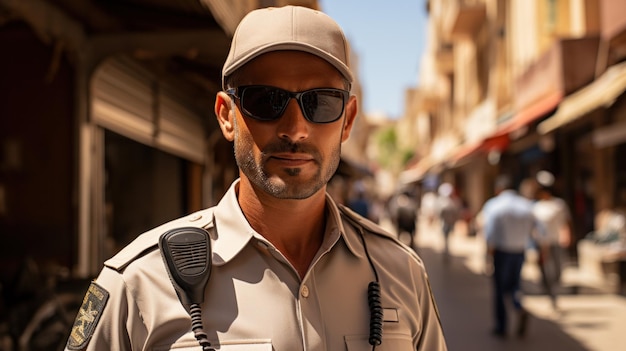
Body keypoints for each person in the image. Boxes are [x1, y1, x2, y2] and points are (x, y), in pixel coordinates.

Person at [65, 6, 447, 351]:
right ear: (227, 115)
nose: (295, 129)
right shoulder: (139, 282)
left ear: (347, 120)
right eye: (265, 100)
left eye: (321, 102)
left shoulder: (401, 273)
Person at [480, 175, 542, 339]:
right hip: (520, 251)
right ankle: (518, 306)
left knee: (500, 289)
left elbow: (490, 234)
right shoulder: (526, 205)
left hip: (502, 253)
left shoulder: (494, 206)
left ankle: (502, 325)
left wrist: (487, 257)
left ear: (498, 189)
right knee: (515, 285)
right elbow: (538, 230)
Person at [532, 171, 572, 310]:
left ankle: (552, 291)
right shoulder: (536, 207)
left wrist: (566, 235)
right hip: (542, 244)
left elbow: (565, 222)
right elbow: (533, 227)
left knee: (558, 270)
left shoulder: (559, 205)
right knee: (546, 271)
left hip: (555, 241)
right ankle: (551, 295)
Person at [436, 182, 461, 258]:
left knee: (446, 237)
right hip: (446, 223)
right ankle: (446, 250)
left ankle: (446, 250)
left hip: (447, 223)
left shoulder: (450, 202)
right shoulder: (449, 202)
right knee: (446, 237)